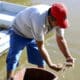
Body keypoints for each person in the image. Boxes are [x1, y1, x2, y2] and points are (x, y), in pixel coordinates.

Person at [6, 3, 75, 80]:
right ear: (50, 18)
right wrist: (51, 64)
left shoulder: (58, 19)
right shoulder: (38, 19)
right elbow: (41, 46)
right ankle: (9, 78)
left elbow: (61, 39)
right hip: (19, 31)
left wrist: (68, 57)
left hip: (34, 34)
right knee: (13, 57)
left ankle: (41, 77)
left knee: (41, 60)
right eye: (58, 24)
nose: (59, 26)